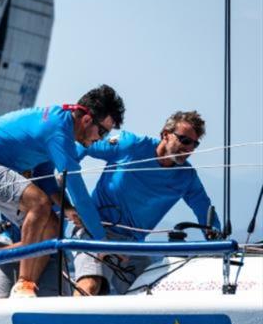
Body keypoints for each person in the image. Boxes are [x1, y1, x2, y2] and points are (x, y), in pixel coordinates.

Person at [0, 85, 125, 297]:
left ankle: (27, 287)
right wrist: (102, 242)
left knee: (52, 223)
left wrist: (69, 209)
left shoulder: (59, 126)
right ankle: (24, 283)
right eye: (103, 131)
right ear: (87, 120)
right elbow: (78, 189)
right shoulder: (58, 132)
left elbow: (46, 179)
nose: (101, 138)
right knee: (40, 204)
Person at [73, 110, 220, 296]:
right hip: (96, 231)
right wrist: (66, 199)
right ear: (165, 135)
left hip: (134, 246)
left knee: (151, 296)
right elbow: (82, 145)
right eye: (184, 140)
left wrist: (218, 244)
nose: (189, 148)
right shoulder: (130, 145)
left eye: (194, 144)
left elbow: (205, 210)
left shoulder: (187, 176)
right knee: (91, 285)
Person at [0, 195, 67, 298]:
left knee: (48, 309)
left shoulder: (55, 190)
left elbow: (41, 241)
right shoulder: (5, 185)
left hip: (48, 257)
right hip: (8, 255)